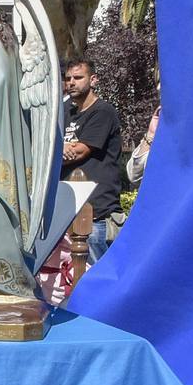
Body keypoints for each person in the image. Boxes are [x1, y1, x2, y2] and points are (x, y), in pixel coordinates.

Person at [61, 58, 123, 263]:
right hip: (68, 211)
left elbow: (78, 152)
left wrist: (61, 149)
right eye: (68, 78)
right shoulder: (65, 112)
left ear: (93, 80)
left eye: (78, 77)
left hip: (96, 213)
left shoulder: (102, 112)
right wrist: (61, 149)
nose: (71, 82)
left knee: (99, 278)